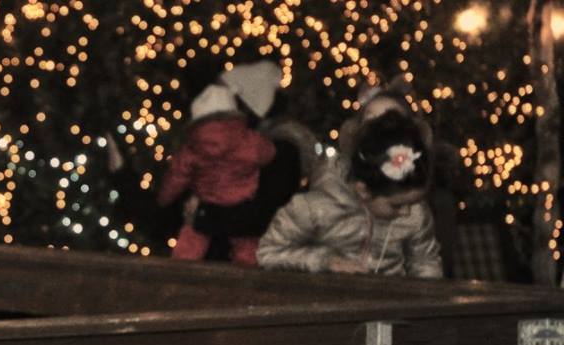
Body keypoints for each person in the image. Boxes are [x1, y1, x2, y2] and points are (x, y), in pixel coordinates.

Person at [257, 82, 443, 279]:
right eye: (372, 122)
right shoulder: (315, 207)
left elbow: (426, 263)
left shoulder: (414, 208)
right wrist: (324, 261)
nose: (406, 212)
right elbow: (269, 252)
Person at [157, 81, 277, 264]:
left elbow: (177, 176)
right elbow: (269, 154)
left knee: (191, 240)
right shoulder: (251, 140)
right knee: (248, 244)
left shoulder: (192, 147)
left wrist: (163, 198)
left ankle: (180, 271)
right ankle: (250, 273)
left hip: (207, 205)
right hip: (243, 204)